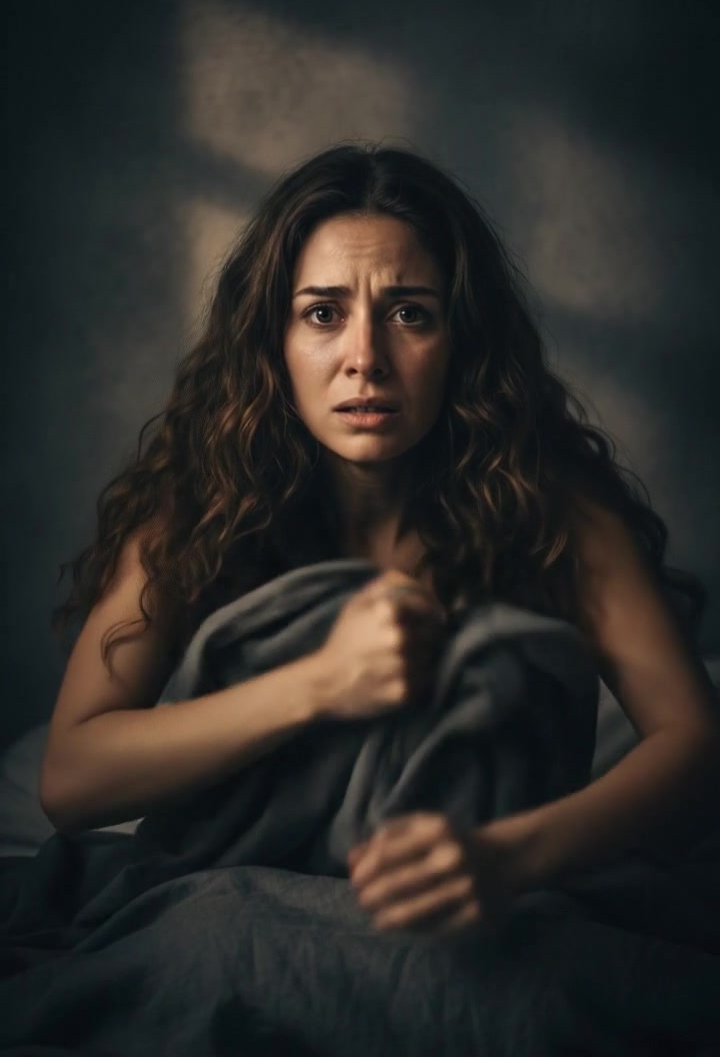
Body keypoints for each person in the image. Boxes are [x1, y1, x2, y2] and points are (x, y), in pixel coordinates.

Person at [44, 142, 720, 938]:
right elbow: (71, 779)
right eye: (323, 314)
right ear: (274, 344)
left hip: (480, 921)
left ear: (460, 340)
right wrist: (323, 682)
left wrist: (509, 859)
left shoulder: (552, 511)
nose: (365, 360)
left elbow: (698, 747)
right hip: (235, 912)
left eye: (409, 314)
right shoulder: (199, 508)